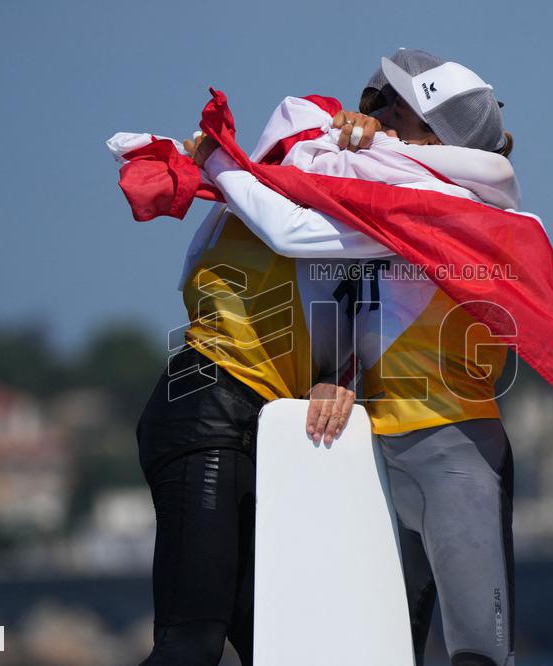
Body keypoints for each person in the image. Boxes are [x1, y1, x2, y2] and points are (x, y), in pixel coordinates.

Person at [187, 49, 520, 666]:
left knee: (479, 655)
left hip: (457, 456)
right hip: (376, 450)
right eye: (383, 101)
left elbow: (291, 230)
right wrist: (332, 375)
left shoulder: (452, 203)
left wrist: (218, 162)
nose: (384, 113)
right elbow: (339, 292)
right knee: (387, 649)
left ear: (438, 141)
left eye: (405, 113)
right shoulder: (379, 184)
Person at [109, 124, 363, 664]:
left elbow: (346, 331)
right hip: (206, 412)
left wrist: (340, 376)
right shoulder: (271, 209)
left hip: (258, 429)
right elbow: (292, 235)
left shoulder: (334, 228)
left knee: (277, 650)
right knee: (191, 643)